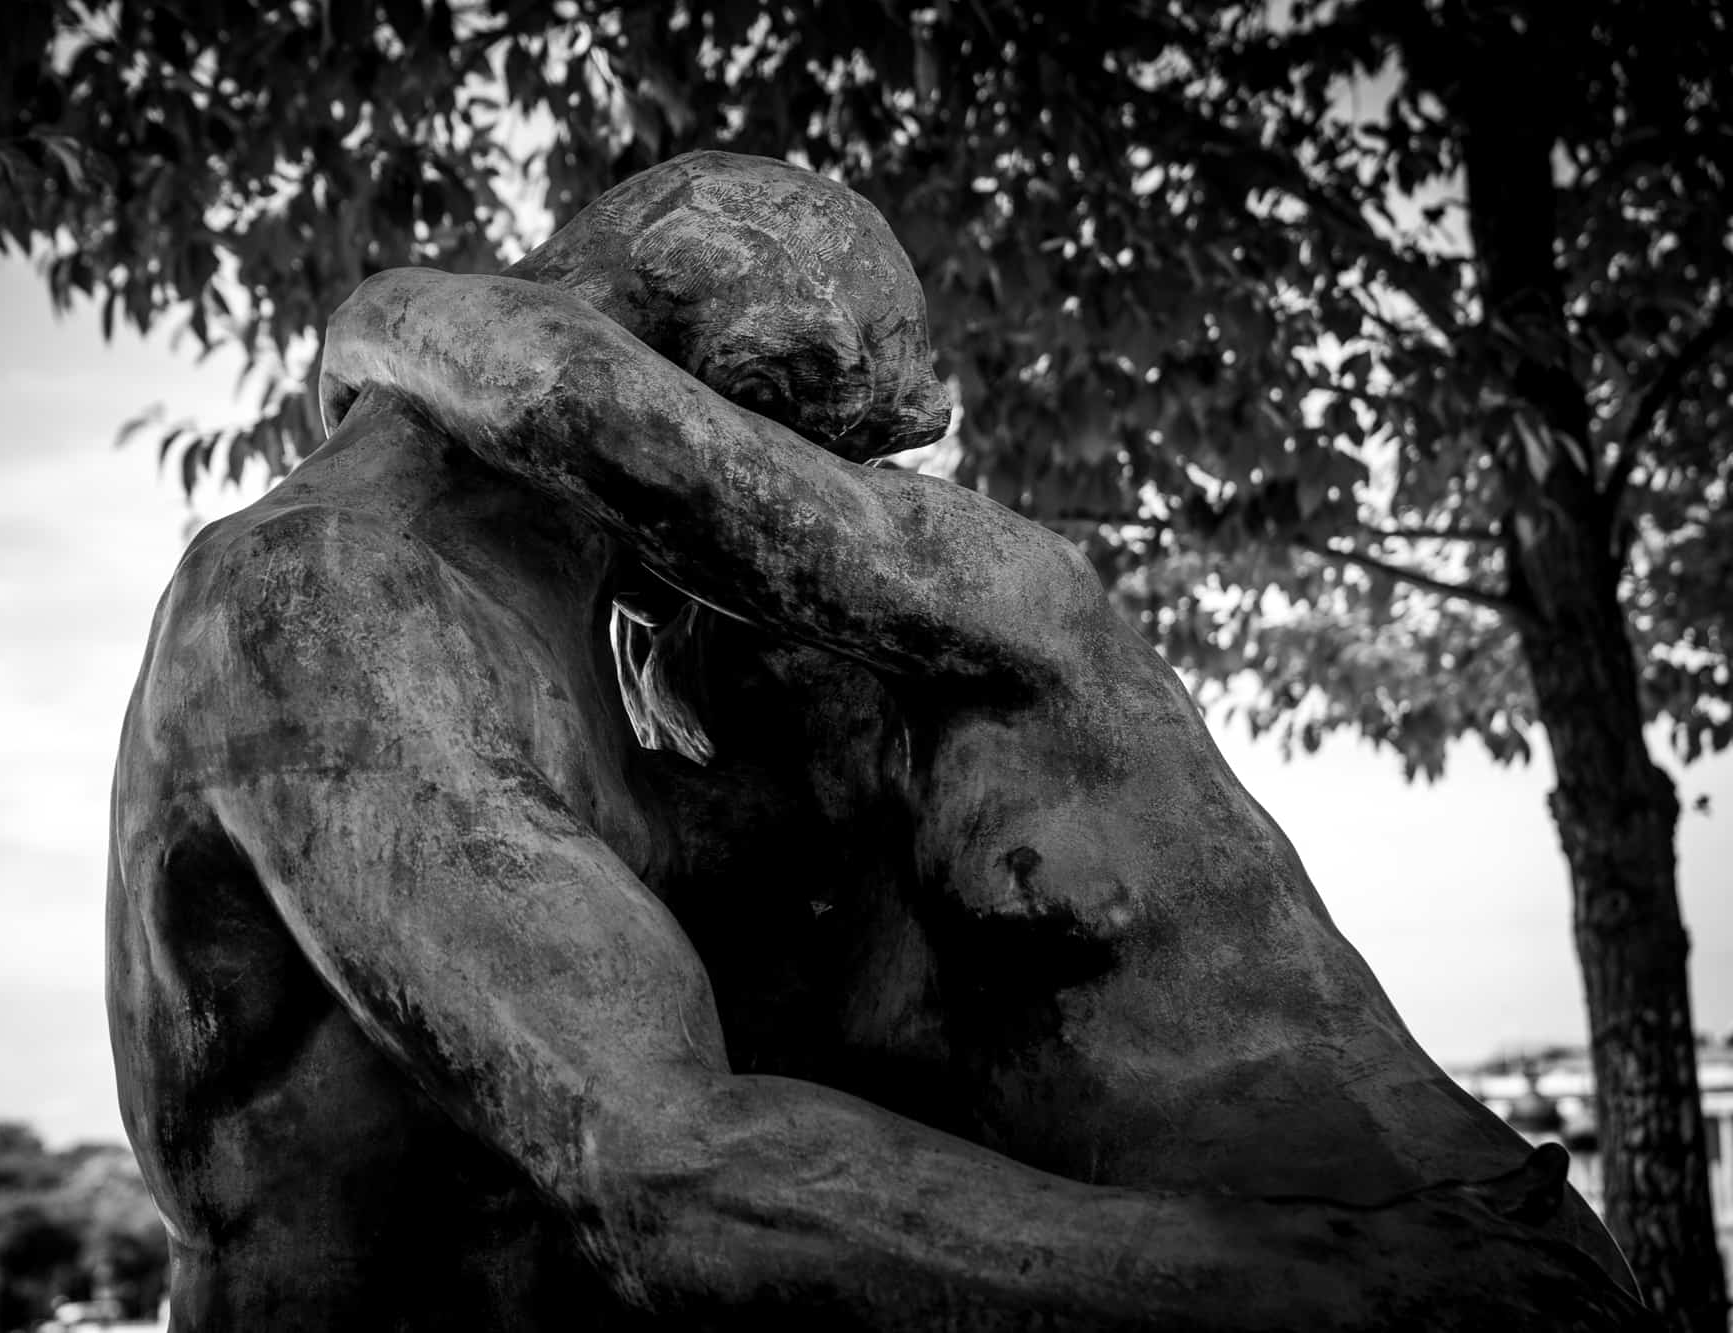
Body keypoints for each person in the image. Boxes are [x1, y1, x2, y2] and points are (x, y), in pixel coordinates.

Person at [111, 152, 1646, 1329]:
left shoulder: (581, 652)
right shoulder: (318, 601)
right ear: (707, 433)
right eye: (807, 462)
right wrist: (1353, 1287)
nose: (831, 527)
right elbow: (667, 1175)